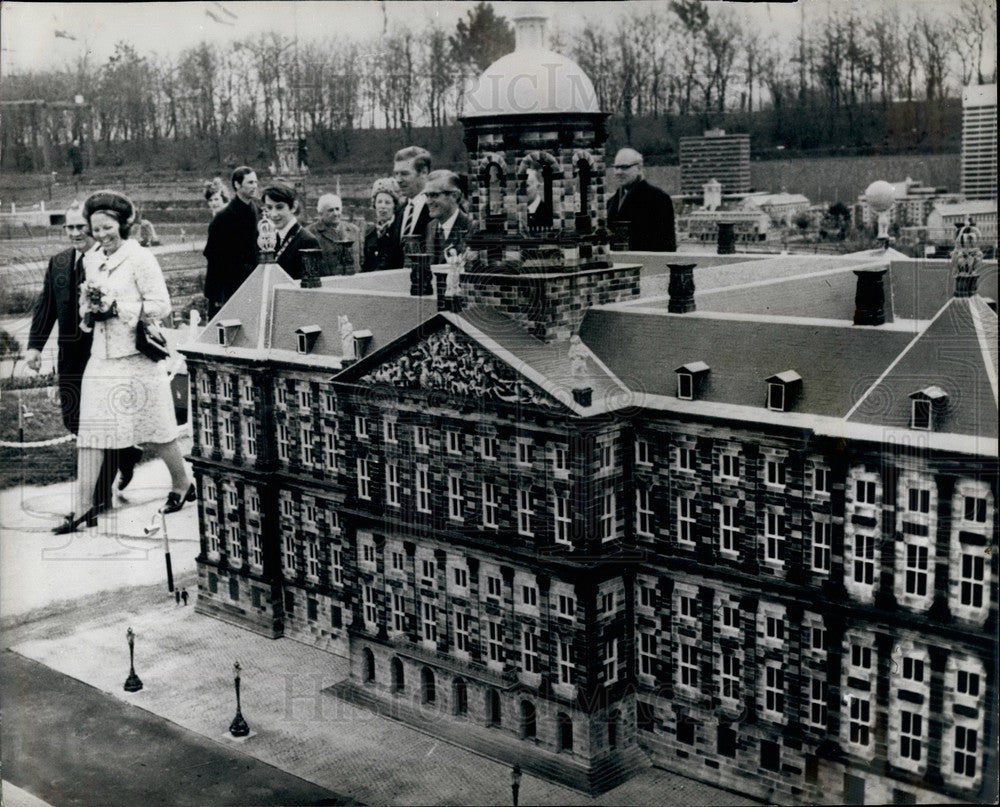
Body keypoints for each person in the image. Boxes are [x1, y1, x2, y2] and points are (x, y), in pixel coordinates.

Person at [53, 190, 195, 533]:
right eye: (95, 229)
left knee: (157, 431)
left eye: (107, 228)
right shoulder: (90, 260)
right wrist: (90, 313)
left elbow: (161, 306)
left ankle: (182, 484)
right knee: (90, 434)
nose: (101, 235)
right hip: (101, 359)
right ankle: (82, 507)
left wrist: (119, 309)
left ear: (123, 224)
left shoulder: (140, 258)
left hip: (135, 359)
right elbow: (88, 304)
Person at [26, 202, 142, 520]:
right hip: (70, 358)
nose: (76, 233)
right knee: (74, 421)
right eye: (70, 227)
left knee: (99, 427)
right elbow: (46, 306)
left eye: (81, 227)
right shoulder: (59, 263)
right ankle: (128, 453)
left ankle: (97, 499)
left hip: (102, 355)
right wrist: (35, 347)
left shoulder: (105, 261)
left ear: (91, 228)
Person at [203, 165, 260, 318]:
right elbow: (213, 257)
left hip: (254, 284)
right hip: (229, 288)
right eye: (250, 183)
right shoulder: (222, 218)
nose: (254, 186)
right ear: (237, 184)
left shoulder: (258, 211)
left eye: (255, 182)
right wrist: (217, 296)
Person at [606, 147, 676, 252]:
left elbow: (665, 244)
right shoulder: (610, 202)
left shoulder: (658, 199)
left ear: (639, 169)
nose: (619, 172)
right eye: (616, 167)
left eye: (625, 167)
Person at [262, 183, 320, 281]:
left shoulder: (308, 241)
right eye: (269, 208)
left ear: (293, 207)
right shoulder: (270, 238)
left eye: (279, 207)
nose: (273, 214)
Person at [423, 170, 471, 264]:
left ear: (454, 196)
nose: (428, 202)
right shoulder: (430, 227)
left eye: (434, 195)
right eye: (427, 195)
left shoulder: (471, 227)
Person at [392, 146, 432, 251]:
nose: (398, 180)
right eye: (396, 173)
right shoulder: (400, 211)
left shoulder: (437, 209)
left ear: (424, 172)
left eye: (404, 174)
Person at [310, 193, 359, 275]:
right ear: (320, 213)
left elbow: (360, 259)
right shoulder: (311, 233)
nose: (336, 213)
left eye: (337, 209)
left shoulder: (354, 230)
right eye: (330, 210)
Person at [362, 178, 404, 272]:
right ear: (374, 204)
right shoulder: (369, 233)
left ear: (395, 205)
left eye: (387, 202)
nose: (383, 206)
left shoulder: (400, 229)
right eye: (379, 202)